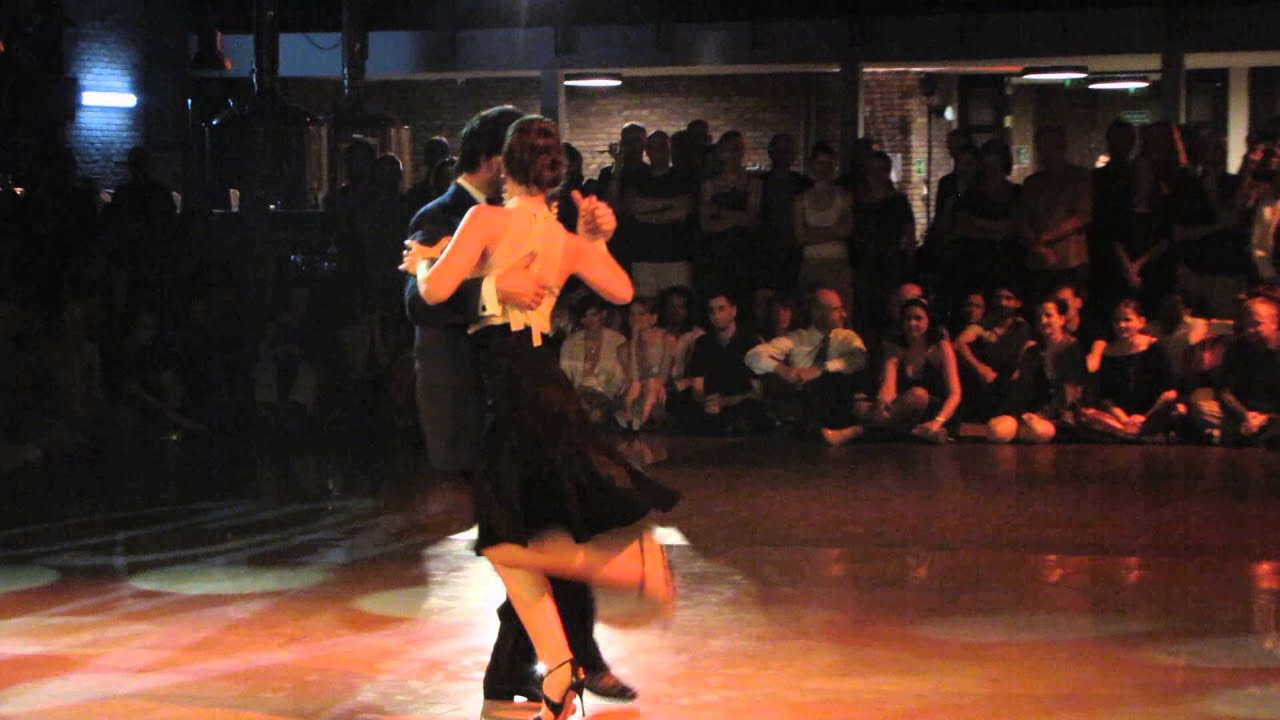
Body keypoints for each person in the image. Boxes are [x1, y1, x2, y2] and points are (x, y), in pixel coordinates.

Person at [405, 115, 679, 720]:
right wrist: (594, 240)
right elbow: (621, 291)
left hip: (513, 396)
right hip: (546, 384)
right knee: (514, 536)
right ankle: (556, 667)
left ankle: (626, 567)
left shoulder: (483, 220)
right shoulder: (560, 237)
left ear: (506, 165)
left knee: (507, 543)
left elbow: (429, 294)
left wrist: (423, 262)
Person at [848, 297, 961, 444]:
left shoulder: (941, 347)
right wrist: (881, 406)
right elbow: (888, 386)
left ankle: (856, 432)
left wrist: (937, 421)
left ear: (929, 321)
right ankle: (912, 432)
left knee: (918, 394)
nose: (912, 323)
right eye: (907, 319)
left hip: (936, 412)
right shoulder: (894, 346)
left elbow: (955, 394)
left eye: (918, 318)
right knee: (860, 406)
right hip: (904, 408)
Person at [986, 297, 1086, 444]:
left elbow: (1068, 394)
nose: (1043, 321)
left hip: (1057, 415)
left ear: (1062, 319)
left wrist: (1041, 415)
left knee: (1037, 431)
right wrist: (1017, 414)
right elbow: (1021, 388)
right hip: (1029, 413)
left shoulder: (1071, 348)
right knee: (997, 431)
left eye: (1048, 316)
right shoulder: (1032, 350)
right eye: (1039, 317)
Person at [1078, 298, 1179, 441]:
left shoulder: (1153, 347)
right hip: (1121, 419)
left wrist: (1145, 418)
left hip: (1151, 414)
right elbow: (1107, 396)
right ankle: (1132, 434)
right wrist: (1124, 419)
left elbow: (1169, 391)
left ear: (1141, 322)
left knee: (1176, 410)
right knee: (1086, 414)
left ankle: (1137, 433)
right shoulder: (1109, 352)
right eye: (1117, 321)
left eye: (1127, 320)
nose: (1121, 325)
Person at [793, 142, 854, 302]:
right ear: (812, 165)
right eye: (820, 163)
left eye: (828, 164)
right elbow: (800, 237)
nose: (824, 169)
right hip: (811, 266)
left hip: (838, 266)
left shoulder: (844, 197)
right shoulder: (801, 200)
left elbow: (846, 230)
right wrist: (833, 232)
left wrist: (813, 233)